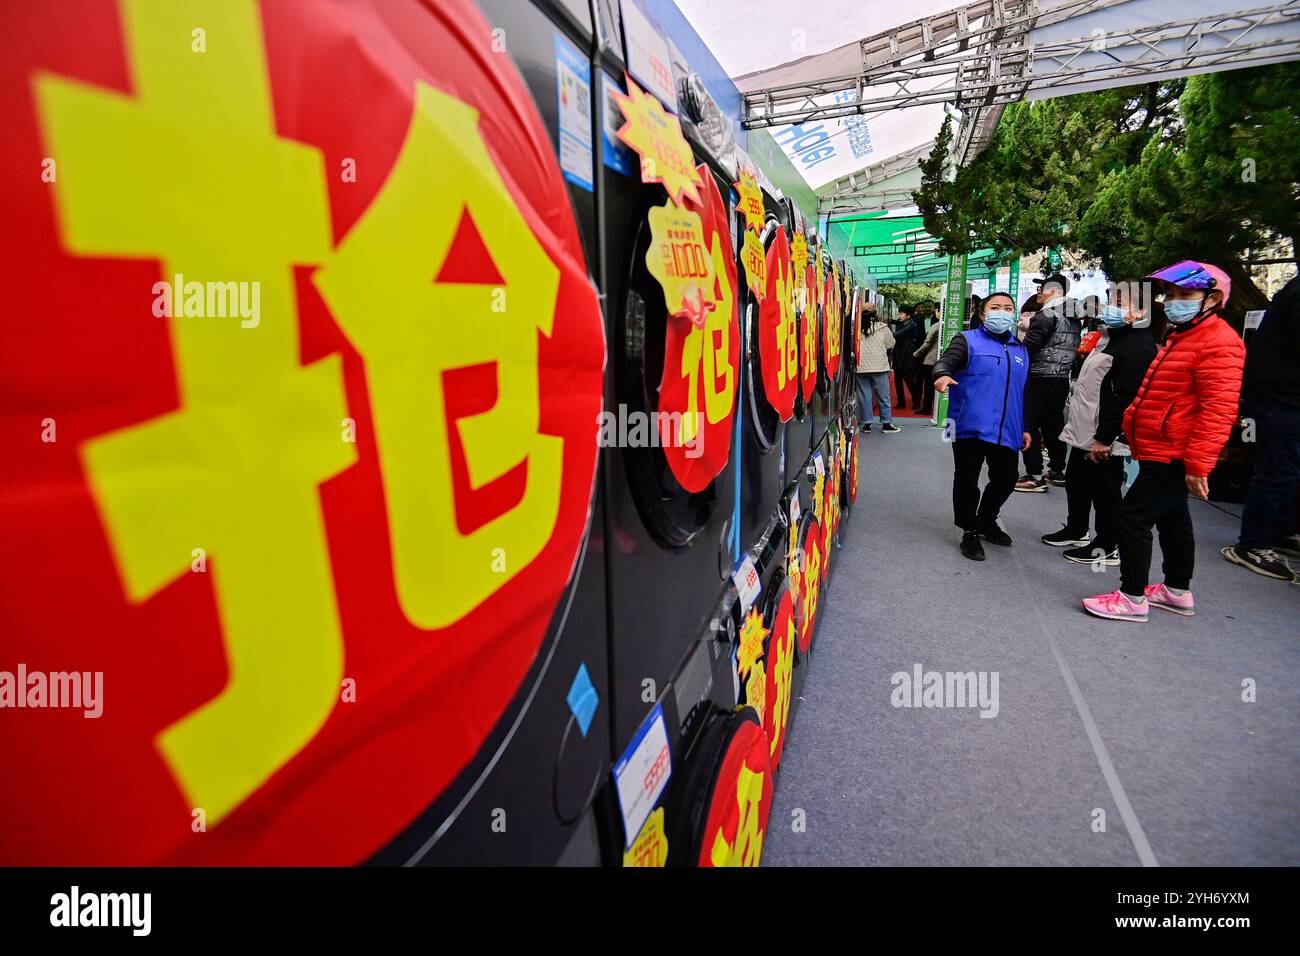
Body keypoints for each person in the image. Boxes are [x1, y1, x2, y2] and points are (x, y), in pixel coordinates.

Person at [1083, 261, 1245, 622]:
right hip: (1162, 445)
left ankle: (1132, 597)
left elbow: (1218, 409)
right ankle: (1176, 590)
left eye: (1185, 295)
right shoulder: (1183, 335)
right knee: (1174, 519)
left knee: (1132, 517)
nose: (1174, 302)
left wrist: (1200, 463)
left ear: (1212, 298)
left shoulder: (1219, 342)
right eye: (1170, 295)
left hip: (1175, 450)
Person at [1043, 281, 1161, 566]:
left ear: (1141, 311)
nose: (1112, 307)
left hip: (1104, 433)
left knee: (1105, 490)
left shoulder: (1138, 347)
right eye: (1113, 300)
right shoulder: (1111, 337)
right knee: (1077, 481)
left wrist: (1106, 438)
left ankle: (1107, 544)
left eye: (1121, 303)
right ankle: (1076, 528)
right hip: (1085, 427)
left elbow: (1123, 398)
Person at [932, 292, 1032, 561]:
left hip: (1008, 427)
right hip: (968, 424)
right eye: (995, 307)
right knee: (967, 479)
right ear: (982, 313)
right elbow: (946, 362)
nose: (1002, 312)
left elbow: (1024, 392)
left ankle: (986, 519)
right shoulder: (967, 340)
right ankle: (969, 532)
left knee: (1007, 478)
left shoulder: (1020, 350)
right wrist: (942, 375)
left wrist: (1025, 426)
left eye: (1008, 308)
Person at [1221, 274, 1300, 581]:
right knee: (1276, 472)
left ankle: (1279, 529)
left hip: (1280, 398)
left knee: (1285, 472)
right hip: (1279, 400)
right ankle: (1254, 543)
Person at [1016, 274, 1079, 492]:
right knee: (1054, 425)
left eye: (1043, 288)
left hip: (1038, 377)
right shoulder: (1073, 316)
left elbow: (1029, 348)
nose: (1039, 293)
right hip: (1061, 378)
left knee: (1029, 425)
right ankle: (1057, 470)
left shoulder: (1045, 316)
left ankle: (1034, 475)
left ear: (1055, 291)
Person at [855, 302, 901, 434]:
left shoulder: (856, 328)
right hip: (879, 366)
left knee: (865, 396)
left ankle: (867, 425)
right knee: (883, 396)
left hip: (861, 367)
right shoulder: (882, 327)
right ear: (875, 313)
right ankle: (886, 424)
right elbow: (890, 343)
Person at [891, 306, 921, 410]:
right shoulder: (901, 324)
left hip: (907, 355)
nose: (899, 316)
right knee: (897, 381)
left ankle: (916, 402)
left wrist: (889, 334)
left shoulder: (911, 325)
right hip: (898, 354)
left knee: (909, 381)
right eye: (899, 314)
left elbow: (898, 334)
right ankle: (901, 402)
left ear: (908, 315)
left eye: (901, 314)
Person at [913, 313, 941, 416]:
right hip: (945, 360)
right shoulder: (951, 327)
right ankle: (938, 407)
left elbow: (927, 343)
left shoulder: (935, 326)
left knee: (929, 385)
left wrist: (916, 353)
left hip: (931, 360)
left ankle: (927, 407)